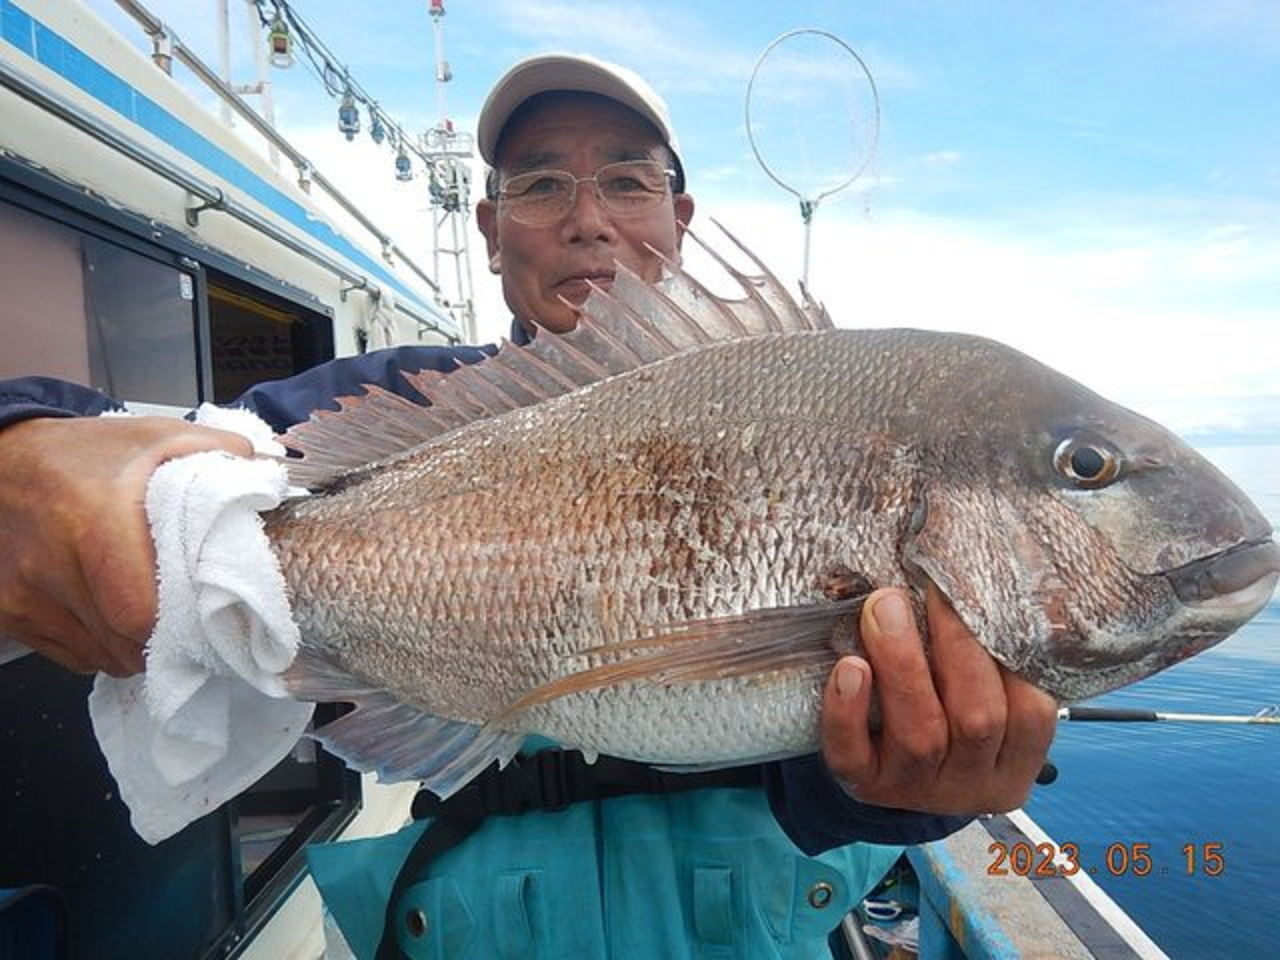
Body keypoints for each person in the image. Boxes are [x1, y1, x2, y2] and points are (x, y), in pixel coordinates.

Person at [0, 54, 1056, 958]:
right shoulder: (402, 403)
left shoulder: (801, 406)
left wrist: (907, 784)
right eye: (542, 185)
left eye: (628, 182)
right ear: (492, 227)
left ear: (677, 216)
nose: (589, 221)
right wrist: (29, 441)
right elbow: (170, 455)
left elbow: (828, 776)